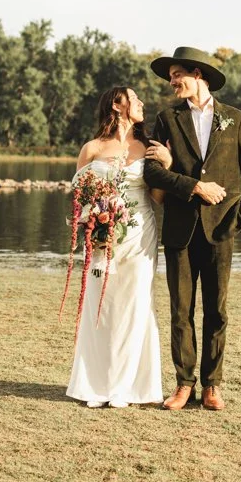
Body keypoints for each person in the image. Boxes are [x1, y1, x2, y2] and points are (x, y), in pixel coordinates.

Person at [143, 47, 241, 411]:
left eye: (177, 74)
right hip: (180, 228)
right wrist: (194, 186)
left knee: (216, 311)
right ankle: (183, 385)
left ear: (198, 74)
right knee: (180, 310)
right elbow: (153, 172)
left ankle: (212, 385)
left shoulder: (234, 119)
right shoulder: (166, 118)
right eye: (171, 77)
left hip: (221, 230)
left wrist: (238, 219)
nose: (172, 82)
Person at [65, 87, 168, 408]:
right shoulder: (92, 148)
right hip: (101, 237)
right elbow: (78, 195)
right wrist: (91, 220)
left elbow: (158, 198)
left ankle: (128, 388)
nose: (141, 103)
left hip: (139, 235)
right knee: (101, 305)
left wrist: (167, 162)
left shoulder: (150, 148)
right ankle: (96, 385)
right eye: (134, 98)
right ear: (116, 104)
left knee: (136, 304)